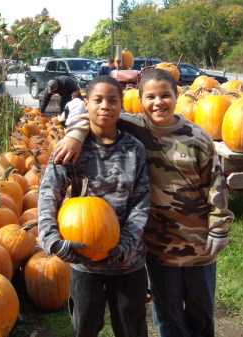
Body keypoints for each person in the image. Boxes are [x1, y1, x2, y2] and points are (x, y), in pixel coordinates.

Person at [52, 68, 235, 337]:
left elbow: (215, 183)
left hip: (198, 243)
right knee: (167, 310)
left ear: (177, 96)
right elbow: (95, 115)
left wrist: (219, 224)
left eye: (165, 95)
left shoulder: (197, 136)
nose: (158, 102)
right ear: (140, 100)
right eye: (150, 96)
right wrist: (75, 134)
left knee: (201, 310)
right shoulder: (134, 127)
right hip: (158, 243)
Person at [38, 75, 151, 337]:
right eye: (98, 100)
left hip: (127, 261)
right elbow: (48, 193)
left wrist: (125, 245)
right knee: (84, 327)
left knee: (132, 327)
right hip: (83, 260)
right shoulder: (70, 148)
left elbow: (140, 202)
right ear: (86, 104)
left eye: (113, 101)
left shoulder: (134, 149)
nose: (105, 106)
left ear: (121, 106)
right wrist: (51, 239)